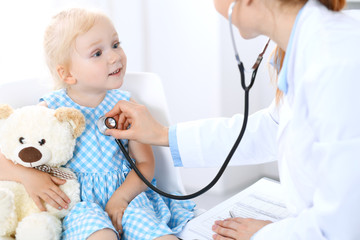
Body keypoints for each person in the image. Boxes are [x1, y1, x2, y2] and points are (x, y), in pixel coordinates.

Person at [105, 0, 360, 239]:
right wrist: (162, 134)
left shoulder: (335, 63)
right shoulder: (311, 46)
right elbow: (271, 128)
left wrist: (265, 235)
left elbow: (340, 226)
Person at [0, 8, 195, 240]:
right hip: (80, 206)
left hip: (128, 198)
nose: (114, 56)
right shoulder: (50, 110)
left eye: (115, 44)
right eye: (97, 53)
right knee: (102, 236)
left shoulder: (126, 106)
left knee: (159, 235)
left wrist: (121, 197)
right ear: (68, 74)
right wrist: (27, 176)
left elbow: (145, 163)